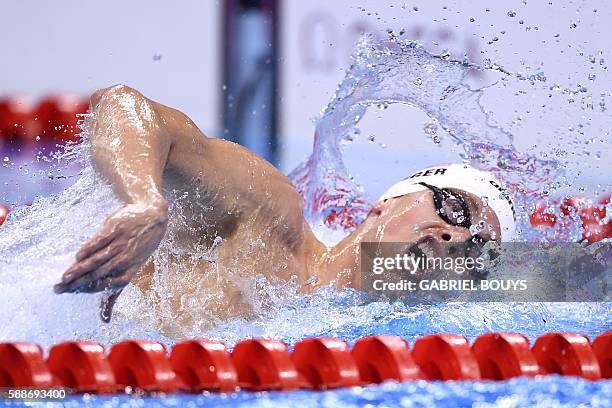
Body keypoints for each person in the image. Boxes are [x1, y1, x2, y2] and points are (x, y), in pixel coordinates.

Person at [53, 85, 515, 335]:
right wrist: (144, 201)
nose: (457, 238)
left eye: (475, 249)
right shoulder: (269, 217)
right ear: (386, 203)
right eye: (456, 209)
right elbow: (123, 105)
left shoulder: (385, 344)